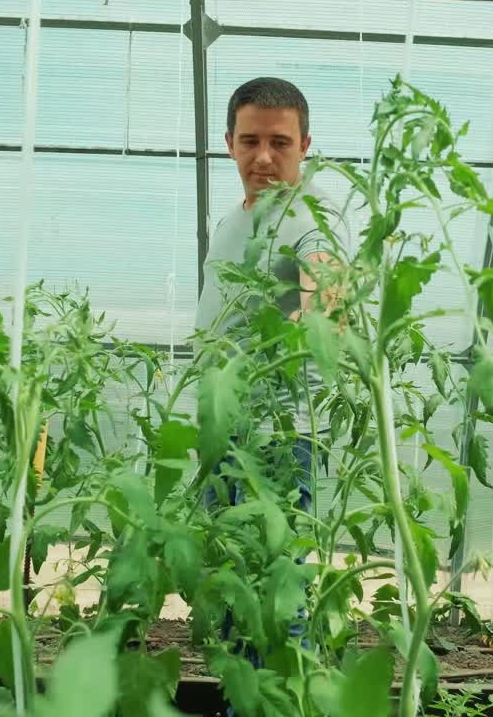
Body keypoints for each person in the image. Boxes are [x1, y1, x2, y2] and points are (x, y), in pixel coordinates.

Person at [193, 77, 342, 678]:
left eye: (280, 143)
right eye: (250, 140)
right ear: (228, 142)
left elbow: (327, 282)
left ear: (306, 145)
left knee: (278, 599)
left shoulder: (315, 213)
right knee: (231, 589)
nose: (263, 157)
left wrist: (315, 311)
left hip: (281, 440)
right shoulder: (231, 220)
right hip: (224, 435)